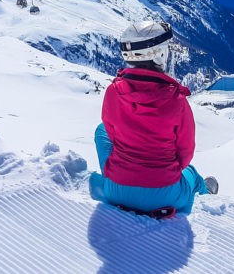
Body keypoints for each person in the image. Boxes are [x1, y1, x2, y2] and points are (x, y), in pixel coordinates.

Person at [93, 21, 218, 215]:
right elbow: (185, 154)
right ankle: (206, 193)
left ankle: (120, 177)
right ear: (159, 54)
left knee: (101, 131)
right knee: (191, 173)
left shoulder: (112, 92)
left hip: (116, 190)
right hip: (164, 195)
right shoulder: (177, 101)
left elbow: (111, 132)